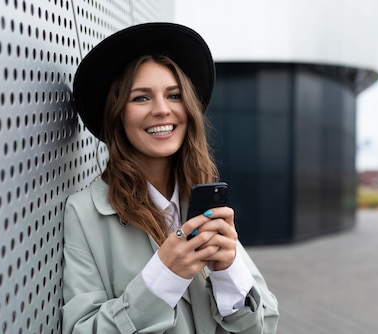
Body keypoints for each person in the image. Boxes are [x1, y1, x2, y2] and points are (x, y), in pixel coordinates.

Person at [61, 22, 279, 333]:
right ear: (117, 113)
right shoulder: (84, 213)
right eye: (141, 98)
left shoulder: (201, 203)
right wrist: (164, 276)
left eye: (174, 95)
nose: (162, 110)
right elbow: (82, 329)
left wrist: (227, 271)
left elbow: (264, 325)